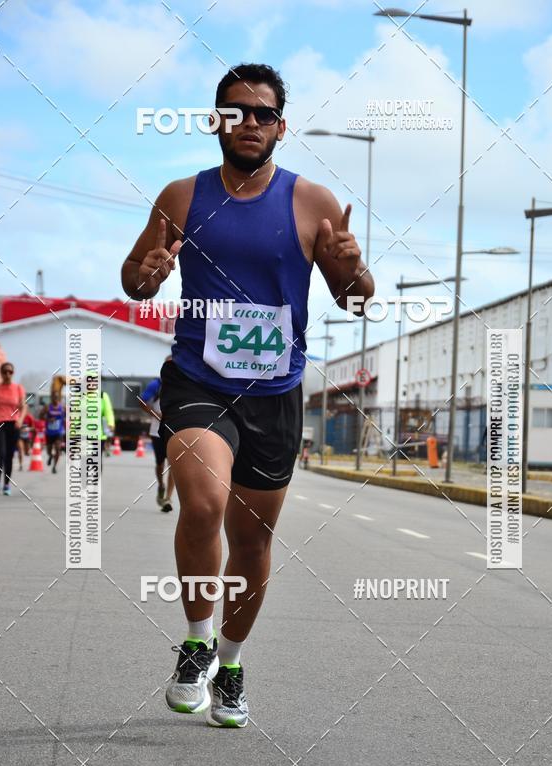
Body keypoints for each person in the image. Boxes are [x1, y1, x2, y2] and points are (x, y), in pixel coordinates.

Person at [121, 63, 374, 727]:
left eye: (263, 113)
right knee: (202, 501)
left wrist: (349, 265)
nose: (250, 122)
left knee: (253, 542)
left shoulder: (312, 202)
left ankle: (230, 663)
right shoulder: (180, 196)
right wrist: (146, 275)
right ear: (216, 120)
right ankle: (197, 642)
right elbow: (135, 279)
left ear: (281, 127)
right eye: (236, 111)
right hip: (199, 381)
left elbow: (355, 297)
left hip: (275, 395)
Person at [140, 356, 175, 513]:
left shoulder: (182, 384)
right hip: (157, 431)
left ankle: (168, 498)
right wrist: (156, 414)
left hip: (175, 431)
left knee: (173, 465)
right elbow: (141, 401)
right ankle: (161, 485)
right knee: (160, 464)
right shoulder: (156, 384)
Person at [0, 361, 26, 495]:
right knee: (0, 453)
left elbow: (24, 406)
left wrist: (20, 419)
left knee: (9, 455)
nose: (8, 374)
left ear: (13, 373)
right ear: (1, 373)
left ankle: (7, 484)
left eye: (10, 372)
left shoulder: (18, 388)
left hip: (13, 424)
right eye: (5, 371)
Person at [40, 390, 65, 474]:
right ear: (52, 398)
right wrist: (48, 419)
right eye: (54, 397)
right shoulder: (47, 407)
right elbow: (40, 416)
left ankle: (54, 466)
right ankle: (50, 456)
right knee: (49, 450)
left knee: (58, 449)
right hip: (49, 432)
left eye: (57, 397)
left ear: (59, 398)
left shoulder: (62, 408)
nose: (56, 399)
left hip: (59, 432)